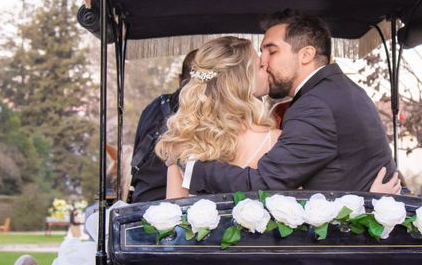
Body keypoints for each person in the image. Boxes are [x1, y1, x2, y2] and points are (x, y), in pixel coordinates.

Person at [183, 12, 399, 194]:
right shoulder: (337, 91)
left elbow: (266, 183)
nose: (264, 62)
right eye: (262, 53)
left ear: (306, 55)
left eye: (272, 51)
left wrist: (193, 169)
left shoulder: (316, 105)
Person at [155, 36, 281, 198]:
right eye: (260, 66)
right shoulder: (275, 141)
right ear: (242, 80)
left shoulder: (184, 142)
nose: (267, 69)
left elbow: (173, 215)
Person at [129, 49, 197, 203]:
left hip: (142, 200)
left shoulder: (152, 107)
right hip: (186, 208)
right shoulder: (208, 109)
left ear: (180, 79)